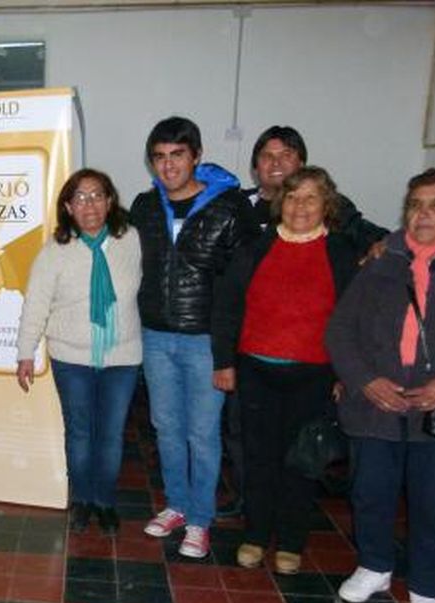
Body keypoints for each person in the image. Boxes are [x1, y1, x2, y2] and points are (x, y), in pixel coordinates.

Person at [326, 168, 435, 603]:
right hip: (378, 402)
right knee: (370, 491)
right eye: (415, 204)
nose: (422, 214)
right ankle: (374, 566)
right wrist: (364, 380)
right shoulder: (383, 259)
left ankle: (427, 586)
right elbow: (340, 330)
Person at [214, 167, 360, 574]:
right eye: (293, 197)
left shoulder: (343, 254)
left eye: (311, 198)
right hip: (256, 371)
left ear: (326, 204)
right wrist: (224, 362)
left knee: (302, 461)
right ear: (281, 201)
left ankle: (291, 542)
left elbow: (354, 322)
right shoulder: (255, 249)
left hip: (314, 376)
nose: (300, 206)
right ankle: (256, 536)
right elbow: (227, 307)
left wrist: (345, 375)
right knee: (259, 458)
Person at [133, 116, 260, 558]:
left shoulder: (229, 208)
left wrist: (228, 352)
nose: (168, 166)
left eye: (177, 155)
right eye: (160, 157)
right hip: (155, 335)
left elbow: (243, 284)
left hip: (205, 341)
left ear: (196, 156)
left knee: (202, 434)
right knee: (165, 428)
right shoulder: (145, 208)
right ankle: (177, 506)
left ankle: (201, 520)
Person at [16, 169, 142, 535]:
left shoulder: (130, 240)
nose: (90, 204)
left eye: (97, 195)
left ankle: (105, 501)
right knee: (80, 433)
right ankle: (83, 499)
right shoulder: (55, 251)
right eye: (81, 198)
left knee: (111, 434)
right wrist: (26, 352)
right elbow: (36, 304)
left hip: (122, 357)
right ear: (68, 207)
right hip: (71, 359)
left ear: (110, 201)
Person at [244, 126, 387, 251]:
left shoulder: (326, 202)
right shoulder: (237, 204)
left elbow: (379, 239)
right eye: (267, 156)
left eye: (286, 155)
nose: (276, 163)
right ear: (255, 167)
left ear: (301, 164)